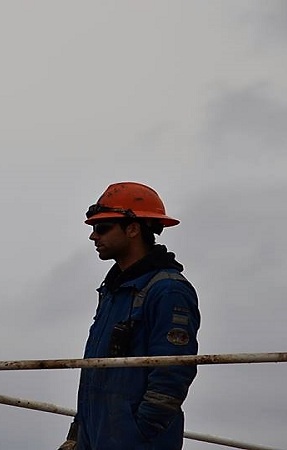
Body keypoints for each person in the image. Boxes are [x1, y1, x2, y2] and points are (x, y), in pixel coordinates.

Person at [59, 182, 201, 450]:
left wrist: (141, 432)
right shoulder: (114, 291)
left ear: (133, 229)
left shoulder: (168, 290)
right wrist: (77, 435)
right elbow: (95, 372)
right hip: (98, 438)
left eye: (102, 228)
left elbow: (173, 373)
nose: (93, 236)